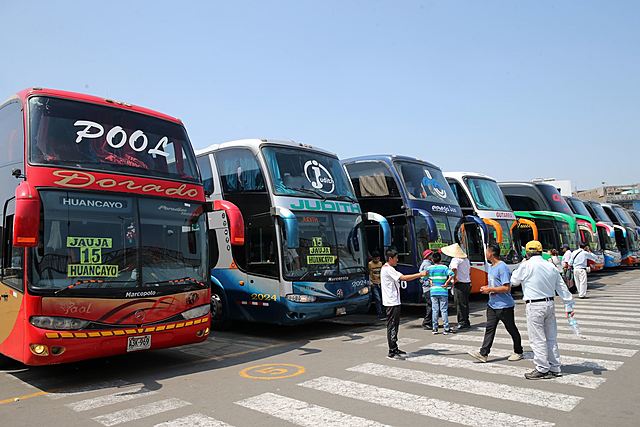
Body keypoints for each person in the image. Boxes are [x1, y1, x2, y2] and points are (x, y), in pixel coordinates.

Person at [511, 240, 575, 380]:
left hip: (534, 305)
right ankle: (555, 367)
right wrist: (568, 305)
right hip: (549, 304)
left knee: (537, 339)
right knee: (551, 338)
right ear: (540, 252)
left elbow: (514, 281)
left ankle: (542, 368)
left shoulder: (526, 265)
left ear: (527, 253)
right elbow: (561, 287)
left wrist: (520, 265)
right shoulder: (550, 266)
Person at [468, 243, 523, 363]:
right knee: (490, 328)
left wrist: (490, 289)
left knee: (511, 328)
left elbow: (506, 288)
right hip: (492, 304)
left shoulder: (502, 267)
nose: (485, 253)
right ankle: (483, 353)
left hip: (504, 305)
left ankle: (518, 351)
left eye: (487, 251)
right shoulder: (491, 267)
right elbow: (494, 284)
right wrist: (487, 288)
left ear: (492, 253)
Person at [380, 248, 427, 359]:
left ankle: (394, 347)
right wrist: (420, 274)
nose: (397, 260)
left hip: (394, 301)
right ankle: (392, 350)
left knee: (395, 325)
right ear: (390, 258)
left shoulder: (389, 269)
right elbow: (403, 278)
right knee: (392, 326)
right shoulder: (388, 269)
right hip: (391, 302)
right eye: (396, 258)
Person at [424, 251, 455, 335]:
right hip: (443, 290)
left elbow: (424, 277)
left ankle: (435, 328)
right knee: (444, 310)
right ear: (440, 259)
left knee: (435, 310)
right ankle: (446, 328)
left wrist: (430, 281)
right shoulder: (444, 267)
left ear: (432, 260)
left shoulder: (429, 268)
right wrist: (446, 282)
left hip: (433, 291)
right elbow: (452, 274)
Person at [442, 243, 472, 330]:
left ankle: (462, 322)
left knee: (459, 304)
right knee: (465, 303)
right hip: (466, 283)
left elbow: (454, 269)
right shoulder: (466, 260)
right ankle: (466, 321)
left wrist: (454, 279)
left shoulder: (455, 260)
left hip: (459, 284)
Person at [419, 249, 434, 329]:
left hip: (426, 287)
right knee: (431, 305)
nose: (432, 256)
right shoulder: (427, 264)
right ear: (428, 256)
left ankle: (430, 322)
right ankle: (426, 322)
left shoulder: (426, 263)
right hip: (428, 288)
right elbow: (429, 275)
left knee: (430, 305)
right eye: (431, 254)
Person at [368, 251, 385, 320]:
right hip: (374, 283)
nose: (377, 260)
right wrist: (371, 282)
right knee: (377, 299)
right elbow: (369, 274)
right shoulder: (370, 264)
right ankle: (380, 313)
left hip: (380, 283)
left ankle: (383, 312)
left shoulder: (380, 264)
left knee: (382, 298)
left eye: (378, 258)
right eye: (375, 259)